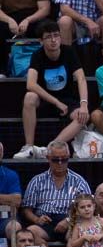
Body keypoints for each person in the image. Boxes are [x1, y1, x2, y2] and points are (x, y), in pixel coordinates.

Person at [16, 21, 88, 160]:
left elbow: (81, 78)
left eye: (56, 35)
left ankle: (51, 148)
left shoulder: (69, 52)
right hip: (46, 99)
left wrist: (84, 104)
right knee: (29, 97)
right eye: (49, 37)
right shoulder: (37, 55)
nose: (54, 40)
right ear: (41, 41)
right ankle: (29, 147)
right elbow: (30, 84)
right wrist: (56, 102)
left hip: (67, 99)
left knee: (83, 116)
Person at [20, 141, 91, 244]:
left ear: (68, 157)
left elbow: (88, 208)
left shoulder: (79, 181)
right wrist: (37, 220)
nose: (60, 163)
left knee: (77, 235)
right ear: (48, 158)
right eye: (55, 160)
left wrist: (69, 221)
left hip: (71, 222)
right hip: (44, 222)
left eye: (64, 159)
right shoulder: (37, 181)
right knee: (30, 233)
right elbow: (26, 210)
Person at [0, 144, 22, 238]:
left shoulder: (10, 175)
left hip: (4, 218)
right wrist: (5, 199)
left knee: (15, 226)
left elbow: (16, 201)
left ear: (1, 154)